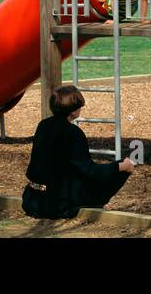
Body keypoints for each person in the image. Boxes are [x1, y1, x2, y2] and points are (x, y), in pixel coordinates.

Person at [22, 85, 135, 219]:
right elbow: (90, 171)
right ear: (73, 111)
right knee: (122, 167)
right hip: (56, 205)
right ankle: (94, 203)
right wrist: (120, 166)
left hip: (32, 199)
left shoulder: (43, 125)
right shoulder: (73, 133)